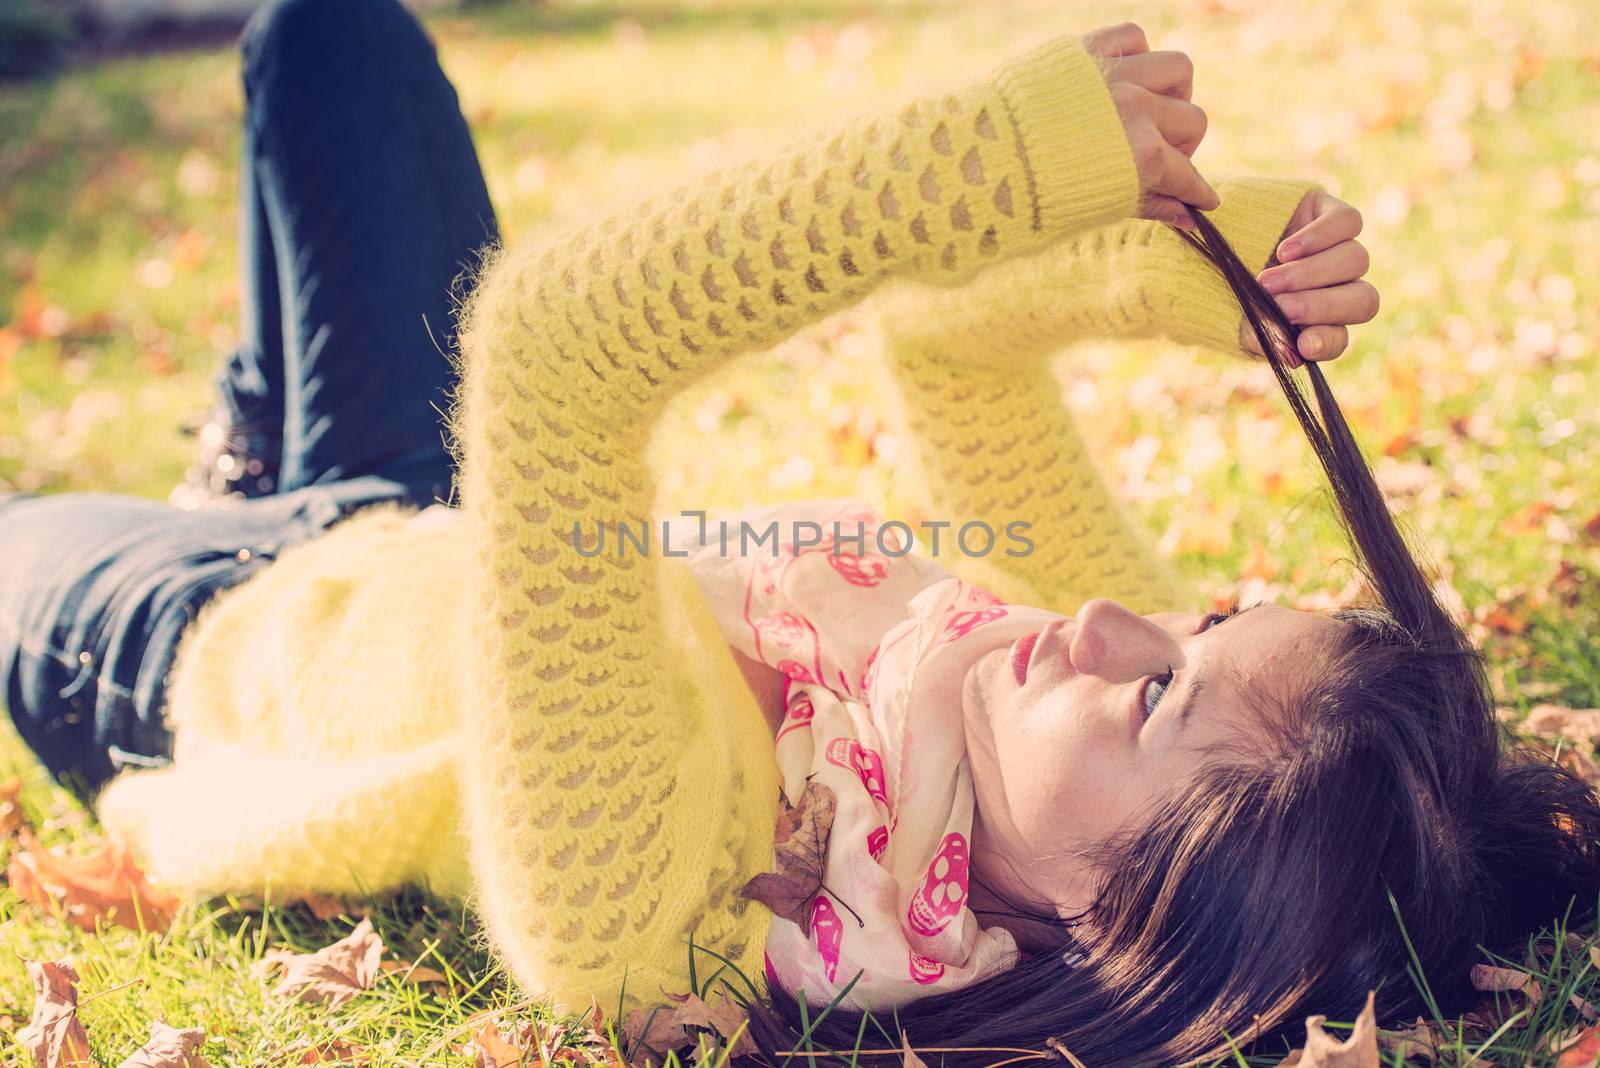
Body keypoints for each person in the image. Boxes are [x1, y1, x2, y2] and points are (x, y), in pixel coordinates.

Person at [1, 1, 1594, 1065]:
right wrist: (1193, 276)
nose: (1119, 623)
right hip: (437, 508)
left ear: (1116, 933)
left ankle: (225, 488)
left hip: (186, 636)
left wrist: (969, 164)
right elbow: (947, 348)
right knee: (329, 34)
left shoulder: (678, 923)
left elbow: (552, 354)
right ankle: (251, 445)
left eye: (1160, 692)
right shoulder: (1022, 691)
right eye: (1206, 621)